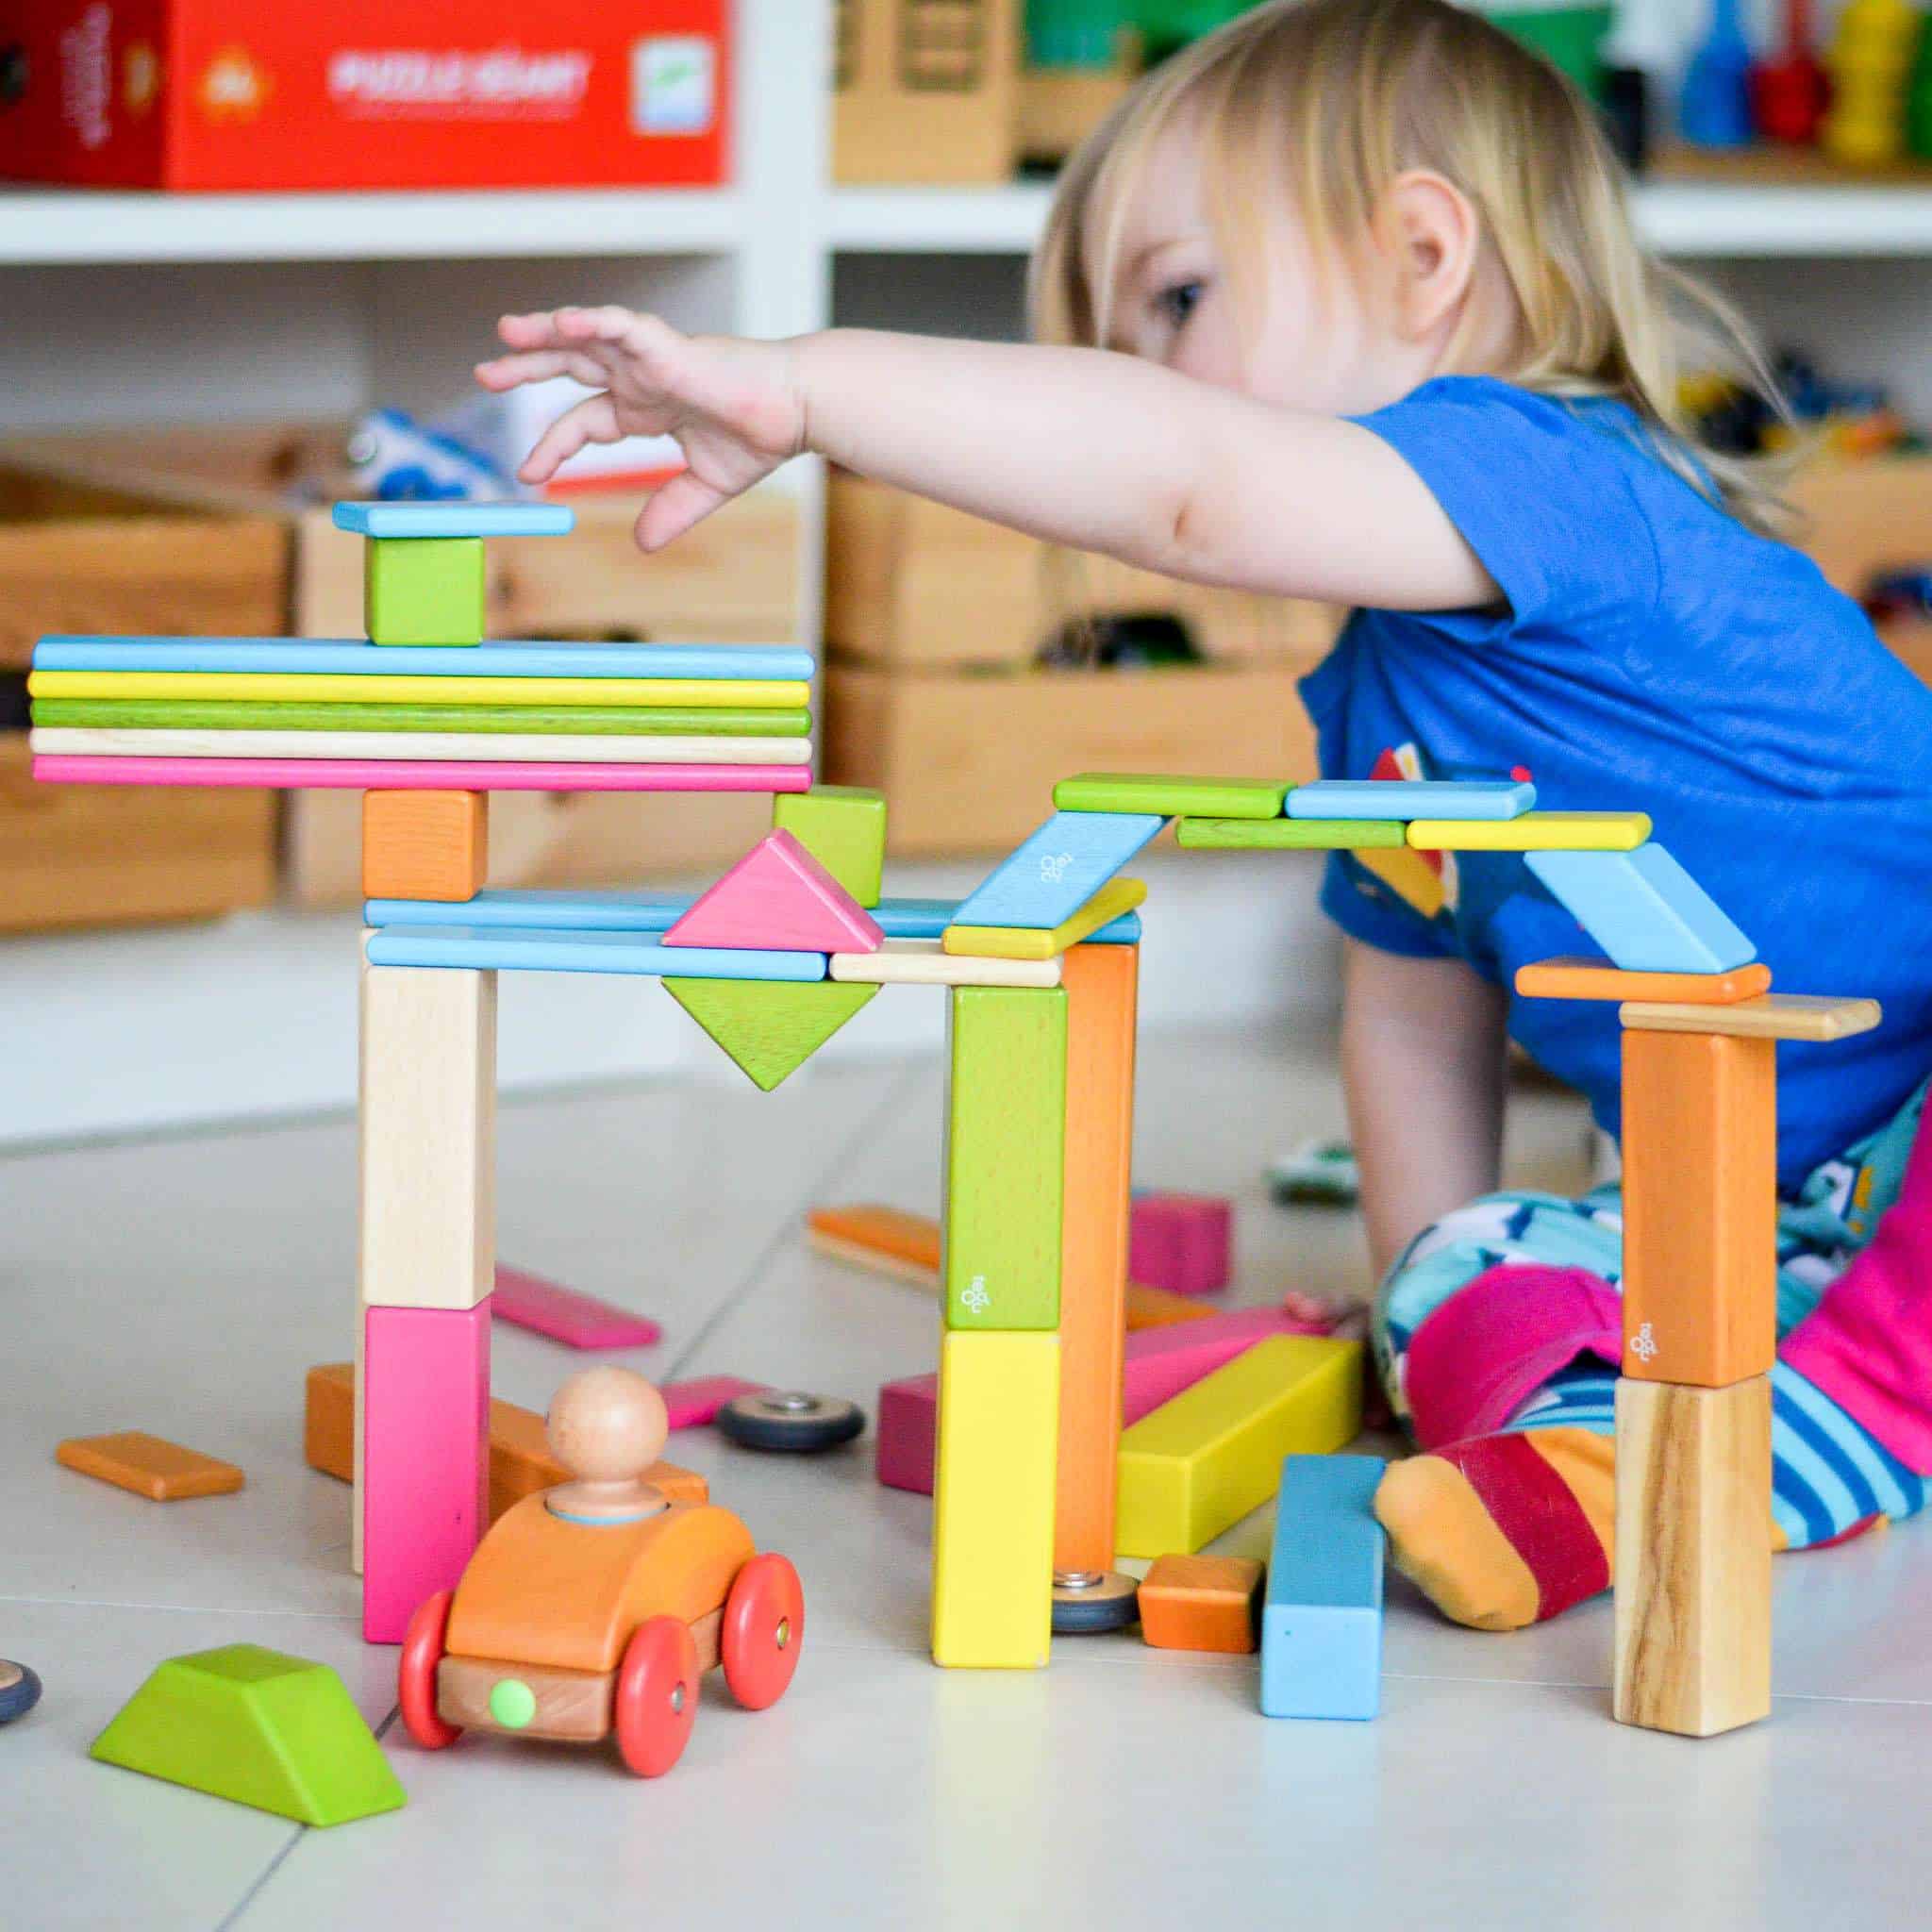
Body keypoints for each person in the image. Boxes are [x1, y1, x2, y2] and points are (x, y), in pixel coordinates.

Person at [475, 0, 1932, 1631]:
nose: (1144, 384)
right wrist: (1421, 1320)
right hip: (1800, 1195)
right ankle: (1583, 1456)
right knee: (1477, 1266)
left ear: (1421, 256)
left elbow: (1189, 483)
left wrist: (801, 388)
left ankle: (1786, 1428)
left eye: (1176, 303)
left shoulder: (1545, 467)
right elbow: (1411, 1015)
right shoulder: (1382, 699)